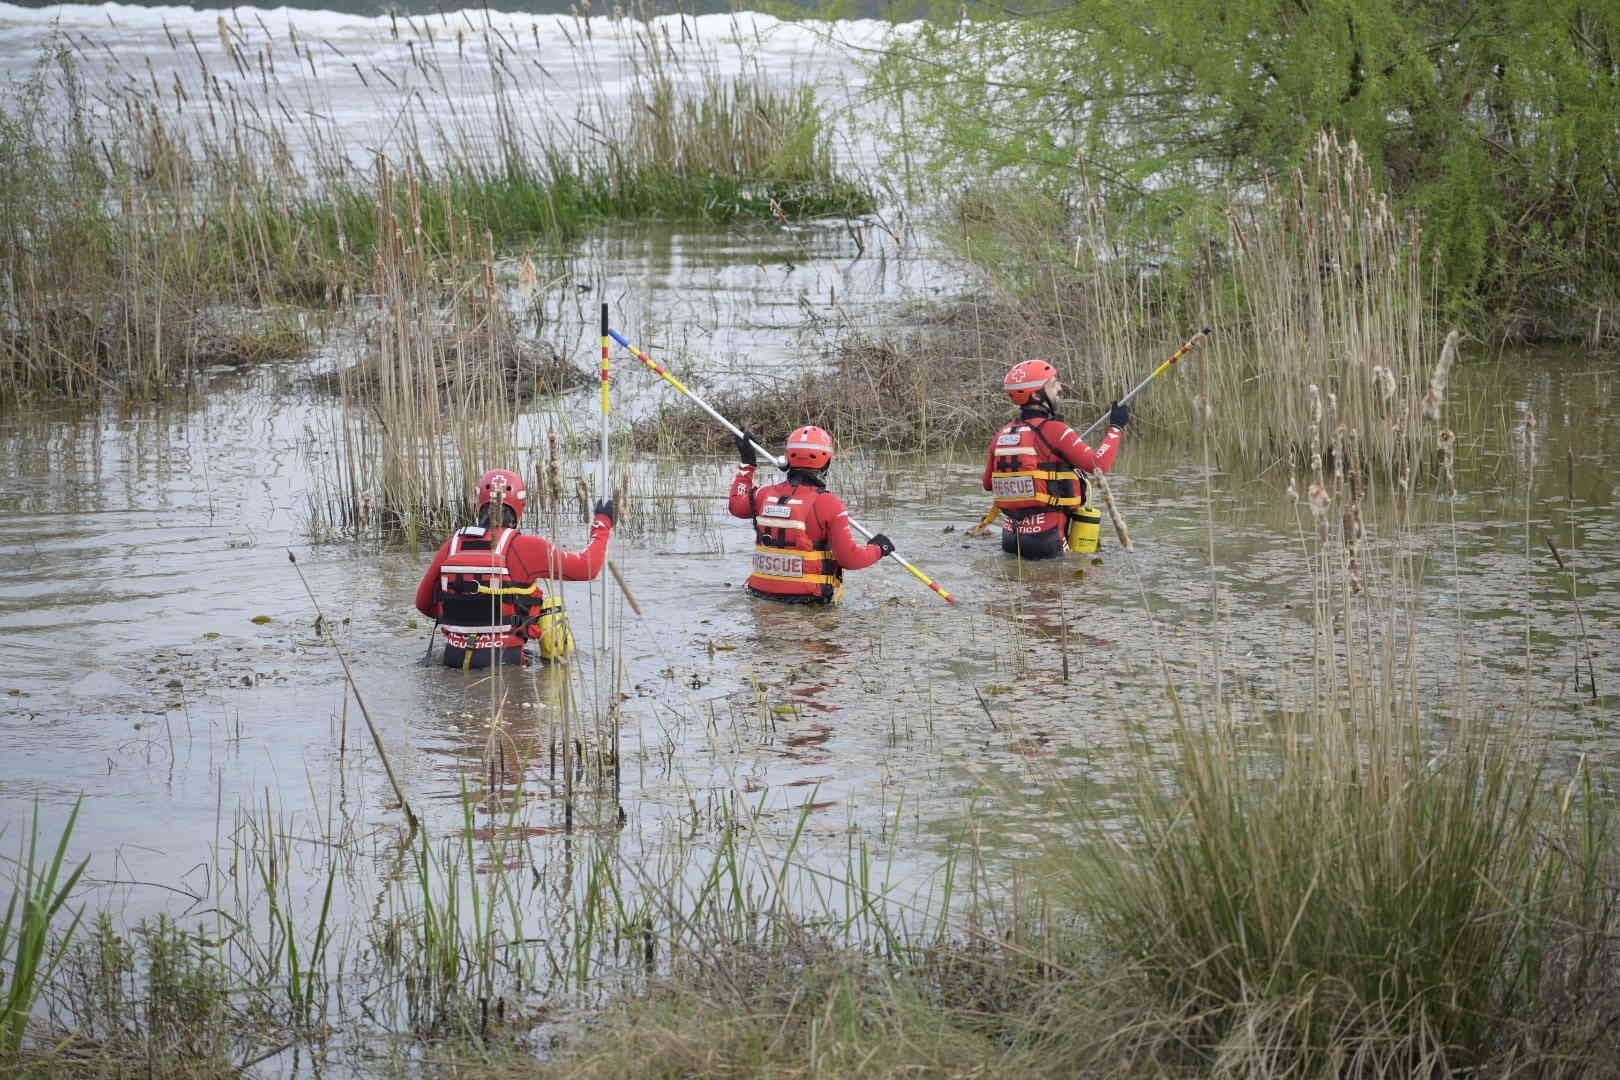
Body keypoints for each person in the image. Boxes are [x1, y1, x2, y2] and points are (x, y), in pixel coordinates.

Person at [416, 468, 614, 669]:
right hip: (506, 664)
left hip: (453, 659)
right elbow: (587, 567)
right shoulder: (526, 547)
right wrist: (603, 522)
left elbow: (423, 603)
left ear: (480, 504)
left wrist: (464, 614)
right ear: (520, 506)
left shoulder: (451, 545)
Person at [728, 426, 893, 605]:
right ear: (827, 461)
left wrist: (747, 463)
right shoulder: (829, 504)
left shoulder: (762, 495)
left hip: (760, 598)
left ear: (788, 457)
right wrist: (878, 548)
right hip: (809, 605)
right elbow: (850, 559)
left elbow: (736, 505)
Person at [984, 360, 1129, 559]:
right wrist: (1116, 428)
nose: (1059, 388)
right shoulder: (1055, 430)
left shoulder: (1001, 433)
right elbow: (1099, 466)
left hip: (1010, 538)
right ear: (1036, 395)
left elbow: (987, 484)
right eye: (1053, 384)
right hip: (1049, 538)